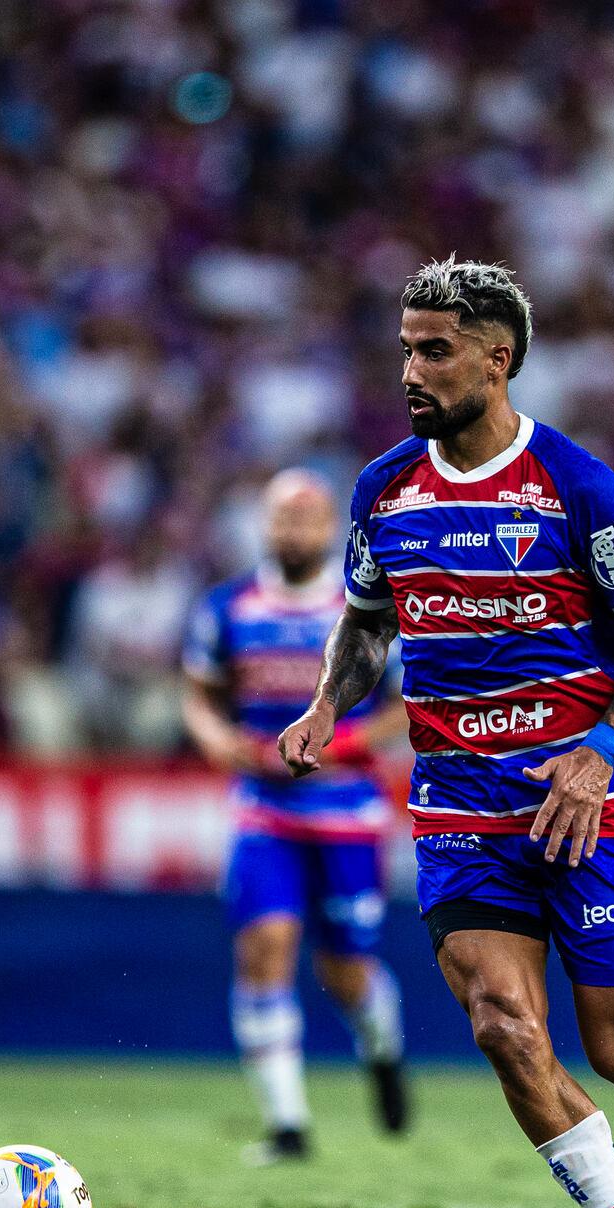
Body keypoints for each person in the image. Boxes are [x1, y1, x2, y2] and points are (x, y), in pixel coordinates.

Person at [278, 257, 614, 1208]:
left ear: (496, 359)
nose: (410, 367)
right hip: (456, 802)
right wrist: (326, 705)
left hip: (580, 802)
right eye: (405, 346)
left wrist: (606, 747)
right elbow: (362, 628)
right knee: (500, 1023)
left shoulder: (574, 485)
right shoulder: (383, 489)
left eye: (434, 348)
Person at [182, 470, 412, 1165]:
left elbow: (408, 704)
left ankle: (382, 1044)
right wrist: (215, 739)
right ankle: (288, 1124)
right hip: (265, 809)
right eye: (282, 517)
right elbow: (199, 692)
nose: (293, 530)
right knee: (264, 947)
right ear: (263, 524)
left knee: (345, 970)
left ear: (330, 531)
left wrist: (344, 742)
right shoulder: (227, 607)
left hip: (345, 812)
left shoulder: (365, 606)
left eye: (307, 518)